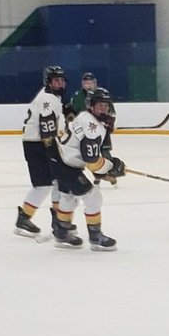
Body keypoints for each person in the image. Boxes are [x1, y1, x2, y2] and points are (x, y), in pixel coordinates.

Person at [52, 86, 126, 250]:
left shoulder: (84, 116)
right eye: (100, 105)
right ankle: (95, 237)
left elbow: (89, 155)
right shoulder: (93, 126)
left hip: (58, 158)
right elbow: (91, 160)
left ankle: (62, 232)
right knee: (94, 198)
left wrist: (107, 165)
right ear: (91, 106)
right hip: (67, 165)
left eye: (106, 105)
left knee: (68, 197)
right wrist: (110, 166)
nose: (104, 108)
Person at [13, 64, 66, 239]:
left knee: (56, 181)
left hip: (37, 143)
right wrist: (55, 150)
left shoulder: (51, 97)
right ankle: (29, 218)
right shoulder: (48, 99)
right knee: (44, 185)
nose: (60, 83)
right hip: (37, 145)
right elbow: (47, 130)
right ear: (48, 82)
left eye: (61, 80)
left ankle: (56, 219)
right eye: (56, 80)